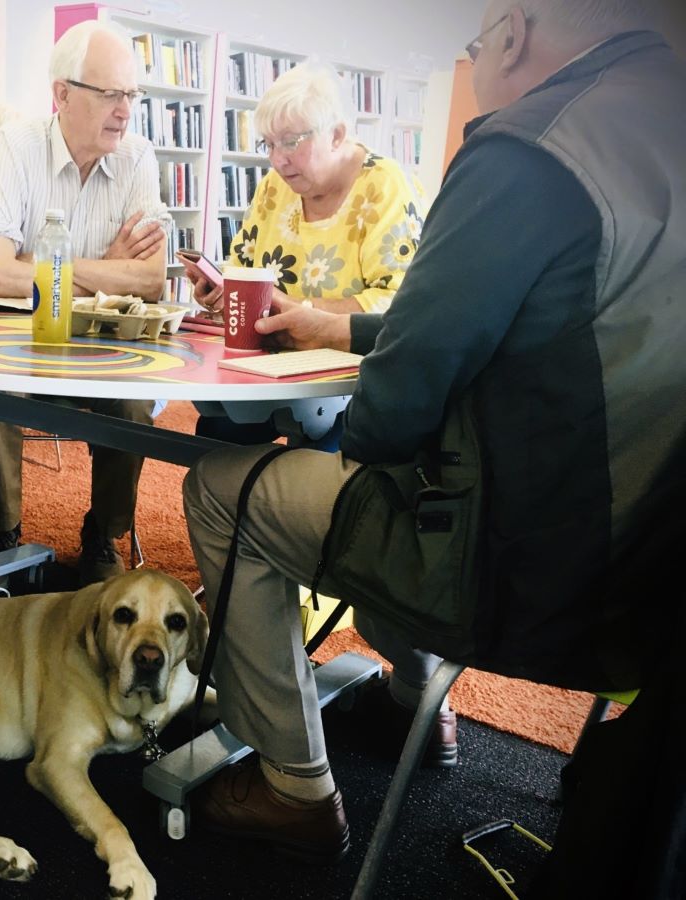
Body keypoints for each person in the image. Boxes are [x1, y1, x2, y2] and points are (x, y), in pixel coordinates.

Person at [182, 0, 684, 865]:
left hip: (523, 573)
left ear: (514, 31)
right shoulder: (661, 116)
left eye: (475, 39)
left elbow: (388, 420)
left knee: (223, 487)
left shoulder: (524, 151)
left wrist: (378, 386)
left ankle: (294, 783)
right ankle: (413, 700)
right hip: (654, 577)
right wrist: (348, 333)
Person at [0, 20, 174, 583]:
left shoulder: (139, 158)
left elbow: (151, 282)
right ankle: (3, 528)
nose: (125, 110)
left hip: (103, 342)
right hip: (23, 337)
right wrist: (106, 269)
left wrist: (45, 267)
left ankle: (104, 532)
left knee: (133, 401)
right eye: (110, 94)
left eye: (132, 94)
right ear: (62, 94)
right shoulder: (14, 146)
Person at [182, 60, 426, 447]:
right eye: (269, 144)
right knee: (216, 437)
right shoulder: (274, 187)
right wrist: (219, 291)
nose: (278, 159)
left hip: (349, 378)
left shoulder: (384, 186)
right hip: (267, 363)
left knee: (318, 462)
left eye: (292, 142)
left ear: (337, 135)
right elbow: (242, 267)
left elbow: (399, 305)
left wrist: (302, 309)